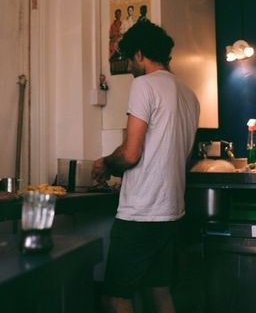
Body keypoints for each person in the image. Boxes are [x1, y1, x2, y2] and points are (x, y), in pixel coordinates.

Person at [93, 21, 200, 313]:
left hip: (141, 213)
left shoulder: (144, 85)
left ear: (139, 54)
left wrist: (105, 163)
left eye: (129, 59)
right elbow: (181, 156)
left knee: (115, 296)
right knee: (159, 292)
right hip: (172, 211)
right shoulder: (189, 94)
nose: (129, 66)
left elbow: (130, 155)